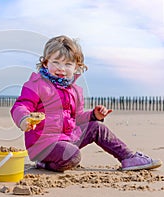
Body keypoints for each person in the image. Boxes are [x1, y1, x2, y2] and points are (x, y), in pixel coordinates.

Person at [10, 35, 162, 172]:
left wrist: (93, 115)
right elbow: (21, 105)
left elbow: (76, 119)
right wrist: (24, 118)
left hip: (67, 138)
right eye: (55, 62)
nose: (61, 68)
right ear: (45, 63)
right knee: (72, 156)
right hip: (44, 144)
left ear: (76, 67)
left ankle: (129, 158)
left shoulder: (75, 91)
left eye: (68, 64)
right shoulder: (37, 84)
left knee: (97, 127)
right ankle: (45, 164)